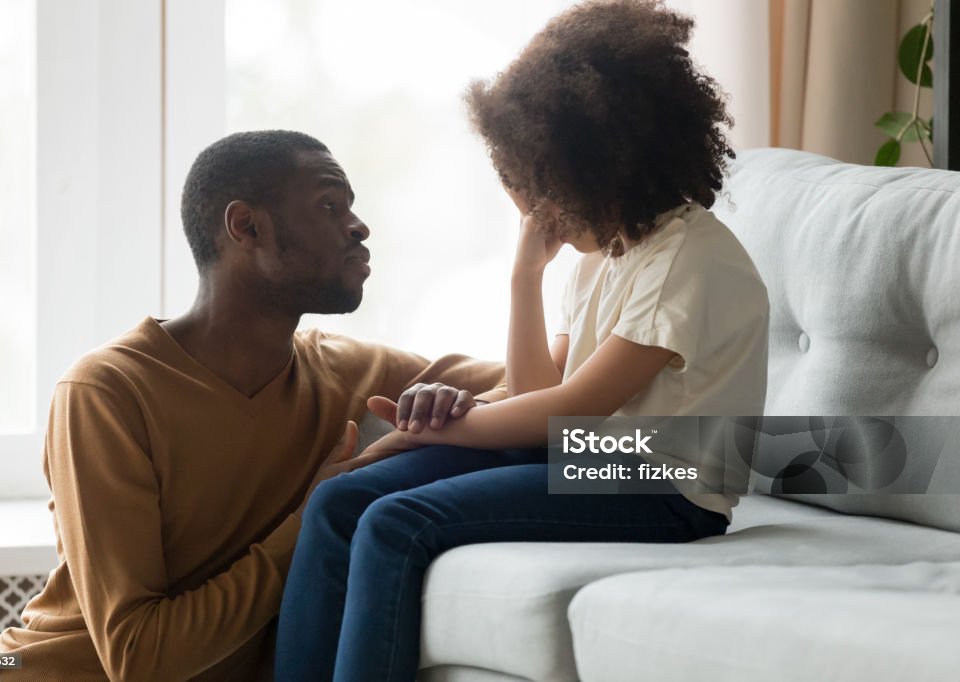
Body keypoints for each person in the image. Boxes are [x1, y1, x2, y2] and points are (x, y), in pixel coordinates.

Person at [271, 1, 770, 680]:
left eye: (544, 193)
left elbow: (576, 414)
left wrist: (446, 429)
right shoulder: (607, 256)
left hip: (664, 483)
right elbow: (542, 397)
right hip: (586, 459)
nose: (537, 215)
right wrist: (525, 277)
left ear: (602, 169)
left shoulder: (690, 261)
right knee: (338, 505)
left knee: (397, 524)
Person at [0, 130, 505, 682]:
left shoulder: (351, 372)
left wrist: (460, 407)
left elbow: (547, 392)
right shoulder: (107, 392)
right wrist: (313, 516)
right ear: (246, 226)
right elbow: (140, 660)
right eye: (330, 205)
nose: (359, 226)